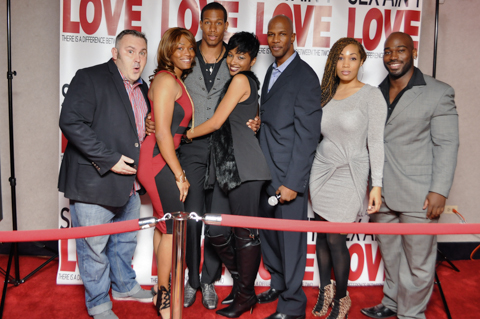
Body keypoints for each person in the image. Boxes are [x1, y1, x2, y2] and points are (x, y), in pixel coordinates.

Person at [145, 3, 260, 310]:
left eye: (218, 23)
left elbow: (248, 99)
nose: (212, 29)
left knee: (217, 219)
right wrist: (151, 119)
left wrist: (256, 119)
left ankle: (209, 278)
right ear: (201, 24)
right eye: (206, 23)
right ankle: (191, 282)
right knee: (192, 216)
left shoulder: (235, 57)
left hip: (225, 148)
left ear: (225, 25)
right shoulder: (184, 54)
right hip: (191, 148)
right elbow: (163, 97)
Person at [361, 32, 459, 319]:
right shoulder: (374, 92)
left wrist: (439, 190)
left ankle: (411, 314)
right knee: (391, 256)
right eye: (388, 51)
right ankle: (392, 302)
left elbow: (447, 144)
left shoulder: (438, 91)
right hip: (380, 191)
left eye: (400, 50)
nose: (393, 57)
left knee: (418, 262)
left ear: (412, 52)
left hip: (420, 194)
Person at [58, 30, 153, 319]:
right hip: (95, 182)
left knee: (124, 242)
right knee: (94, 249)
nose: (137, 59)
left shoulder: (143, 88)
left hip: (130, 183)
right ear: (115, 53)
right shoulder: (90, 77)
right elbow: (70, 122)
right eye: (130, 51)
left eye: (142, 53)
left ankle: (124, 285)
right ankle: (98, 304)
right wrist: (110, 159)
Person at [185, 31, 271, 318]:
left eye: (241, 56)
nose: (233, 60)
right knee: (217, 230)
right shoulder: (247, 82)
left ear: (253, 60)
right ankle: (242, 284)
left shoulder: (240, 80)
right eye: (231, 54)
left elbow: (217, 121)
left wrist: (186, 134)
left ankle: (245, 296)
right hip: (226, 168)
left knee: (245, 235)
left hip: (245, 167)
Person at [309, 38, 386, 319]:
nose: (346, 63)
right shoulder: (326, 92)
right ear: (333, 61)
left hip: (351, 173)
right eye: (341, 57)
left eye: (353, 58)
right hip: (322, 171)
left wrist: (376, 185)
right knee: (321, 235)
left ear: (362, 62)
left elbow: (376, 143)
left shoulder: (371, 95)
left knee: (335, 239)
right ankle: (325, 290)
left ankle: (341, 297)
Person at [256, 15, 322, 319]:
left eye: (282, 34)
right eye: (271, 34)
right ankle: (279, 285)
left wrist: (295, 183)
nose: (276, 40)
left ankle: (293, 306)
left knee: (291, 242)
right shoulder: (272, 70)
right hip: (265, 172)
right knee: (270, 237)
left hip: (288, 177)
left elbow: (308, 136)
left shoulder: (305, 76)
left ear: (293, 36)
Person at [136, 27, 196, 319]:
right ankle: (163, 297)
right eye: (180, 48)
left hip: (164, 158)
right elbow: (161, 133)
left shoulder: (174, 80)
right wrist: (180, 175)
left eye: (190, 48)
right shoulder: (164, 79)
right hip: (158, 160)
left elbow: (173, 130)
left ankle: (161, 289)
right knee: (173, 228)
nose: (187, 53)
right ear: (168, 52)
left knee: (165, 227)